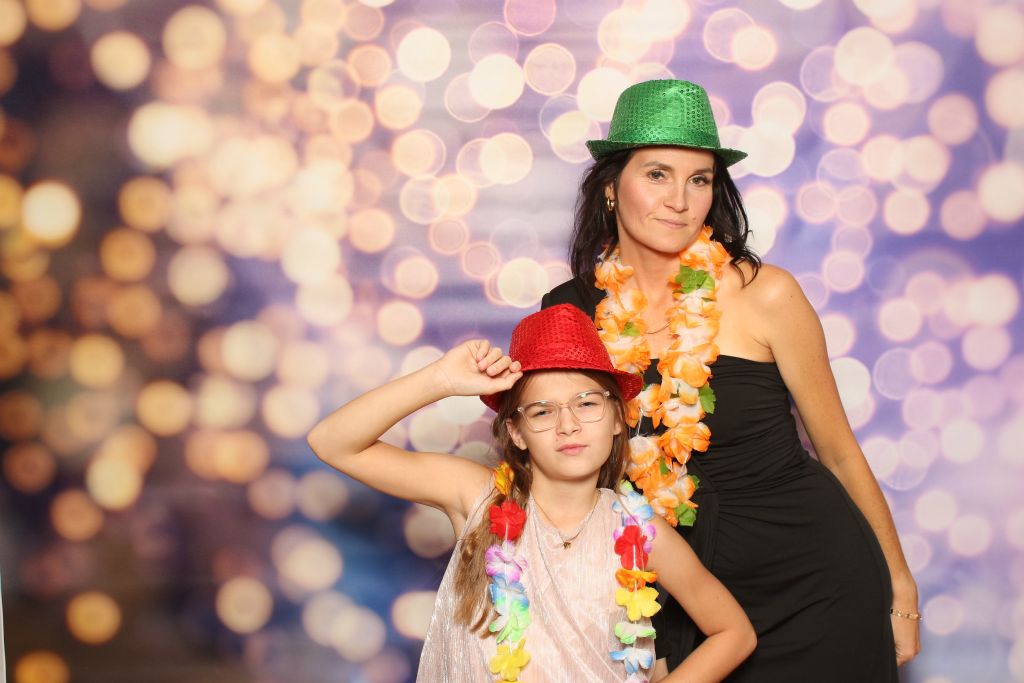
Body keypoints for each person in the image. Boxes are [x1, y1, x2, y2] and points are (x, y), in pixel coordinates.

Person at [541, 79, 921, 681]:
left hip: (814, 582)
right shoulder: (569, 311)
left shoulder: (766, 294)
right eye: (657, 175)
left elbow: (839, 452)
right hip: (680, 593)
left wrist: (900, 588)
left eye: (700, 180)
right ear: (611, 188)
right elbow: (564, 472)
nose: (679, 201)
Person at [308, 303, 755, 682]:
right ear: (517, 433)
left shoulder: (639, 530)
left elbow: (734, 633)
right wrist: (440, 379)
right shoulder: (480, 498)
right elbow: (332, 442)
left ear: (619, 418)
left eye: (587, 403)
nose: (568, 425)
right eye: (542, 412)